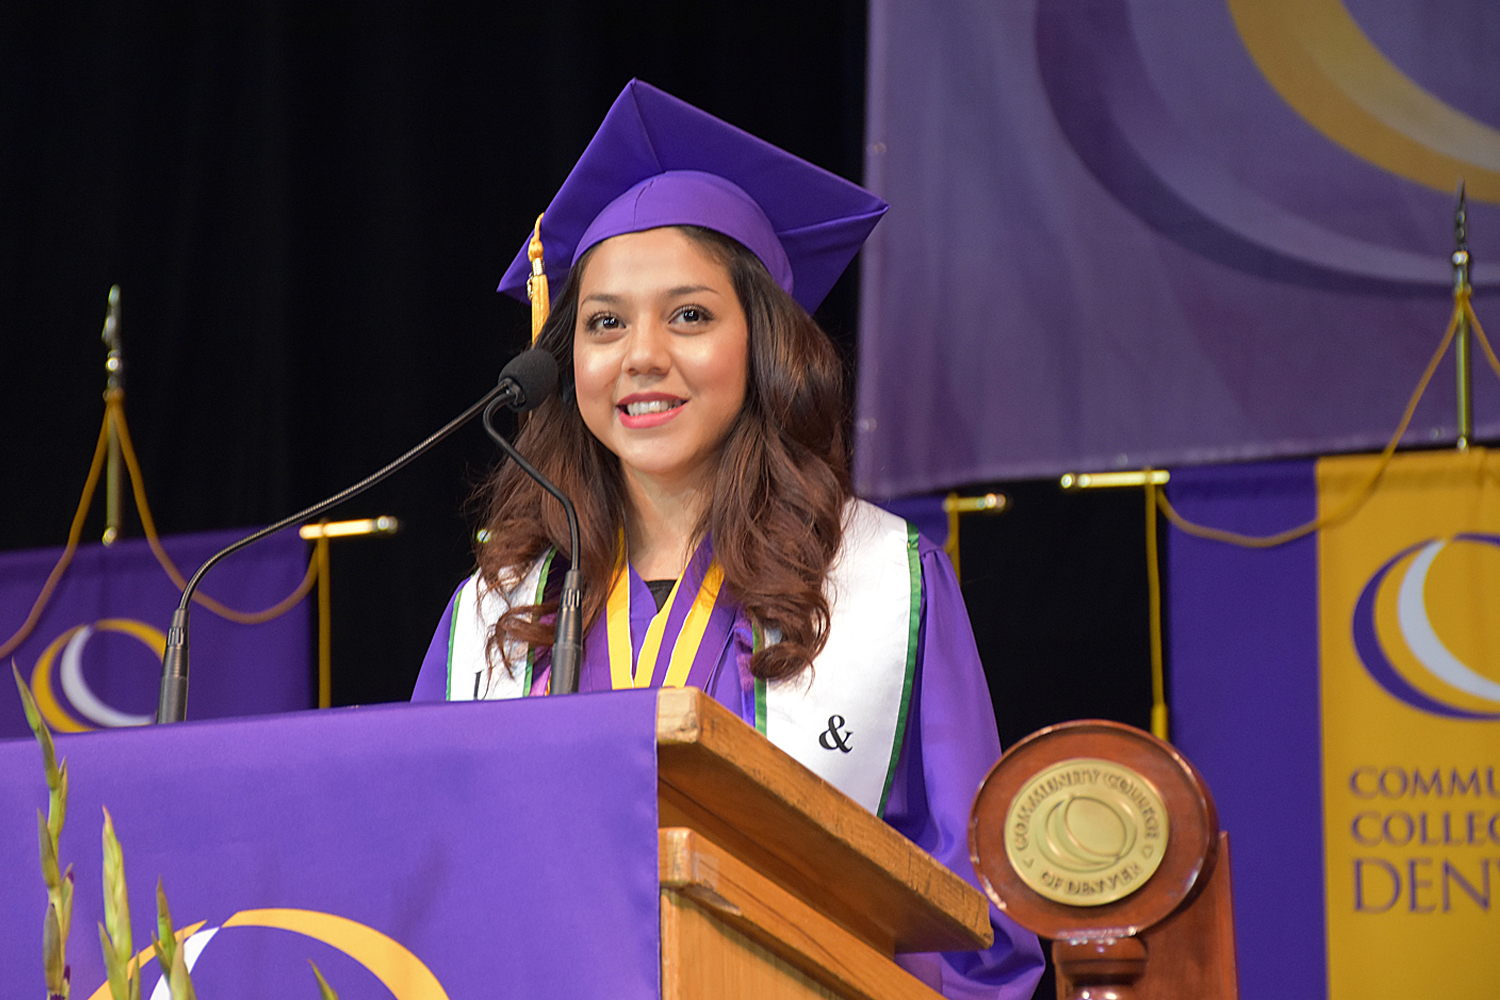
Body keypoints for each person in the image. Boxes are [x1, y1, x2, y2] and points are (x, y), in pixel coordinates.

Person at [413, 79, 1044, 1000]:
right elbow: (428, 872)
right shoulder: (496, 611)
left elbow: (978, 913)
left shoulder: (885, 581)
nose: (641, 356)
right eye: (604, 323)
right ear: (564, 361)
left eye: (691, 315)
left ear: (767, 346)